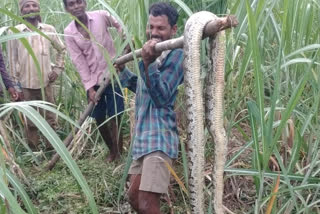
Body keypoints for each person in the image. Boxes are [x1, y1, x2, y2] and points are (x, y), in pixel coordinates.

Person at [117, 2, 183, 213]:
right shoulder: (150, 54)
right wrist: (122, 72)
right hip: (142, 139)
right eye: (151, 27)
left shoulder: (177, 55)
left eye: (161, 28)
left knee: (146, 200)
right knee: (134, 197)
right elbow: (142, 87)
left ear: (173, 30)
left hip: (160, 139)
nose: (154, 33)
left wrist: (149, 63)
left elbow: (162, 97)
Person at [63, 0, 125, 162]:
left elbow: (119, 25)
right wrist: (89, 88)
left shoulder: (101, 16)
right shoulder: (69, 32)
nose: (76, 6)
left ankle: (117, 152)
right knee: (98, 117)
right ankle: (112, 149)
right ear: (66, 8)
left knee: (116, 115)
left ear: (84, 3)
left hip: (113, 74)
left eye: (79, 2)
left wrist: (123, 37)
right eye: (71, 4)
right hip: (92, 80)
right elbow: (79, 61)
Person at [7, 0, 65, 151]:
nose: (31, 8)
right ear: (21, 11)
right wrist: (15, 86)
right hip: (25, 84)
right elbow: (12, 60)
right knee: (30, 120)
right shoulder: (14, 31)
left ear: (39, 9)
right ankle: (34, 151)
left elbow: (61, 50)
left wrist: (57, 69)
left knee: (50, 118)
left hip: (46, 82)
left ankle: (52, 149)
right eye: (27, 5)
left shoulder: (48, 29)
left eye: (34, 5)